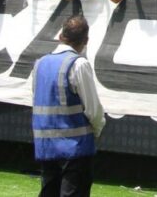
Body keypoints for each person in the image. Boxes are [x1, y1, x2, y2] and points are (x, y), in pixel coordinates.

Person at [31, 15, 105, 197]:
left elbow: (36, 98)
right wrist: (96, 130)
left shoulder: (39, 63)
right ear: (86, 40)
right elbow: (93, 110)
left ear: (60, 36)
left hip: (46, 144)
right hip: (76, 146)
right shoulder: (79, 64)